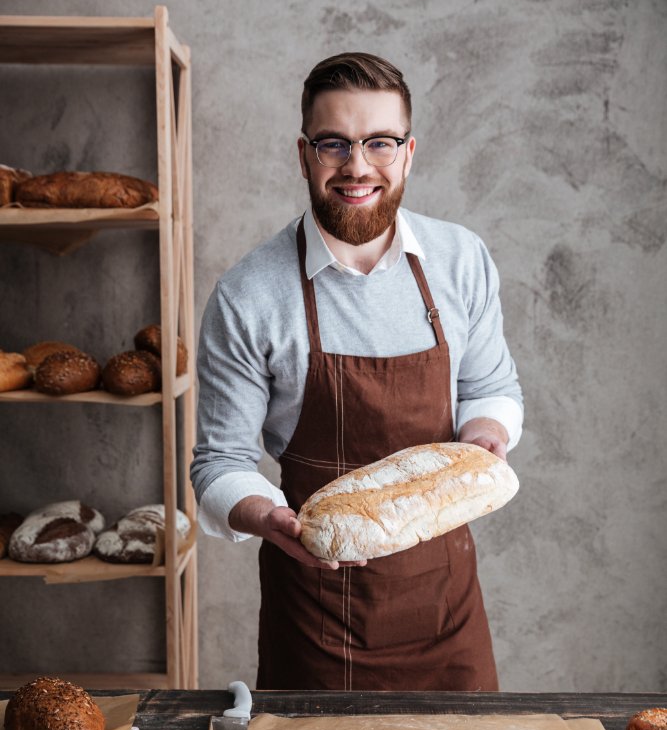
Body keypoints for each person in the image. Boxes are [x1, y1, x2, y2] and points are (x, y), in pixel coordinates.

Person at [191, 52, 523, 692]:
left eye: (379, 142)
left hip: (449, 615)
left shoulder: (460, 260)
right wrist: (267, 517)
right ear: (303, 154)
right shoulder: (250, 293)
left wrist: (485, 439)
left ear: (409, 151)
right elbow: (219, 462)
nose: (357, 165)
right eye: (333, 144)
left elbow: (491, 388)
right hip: (317, 622)